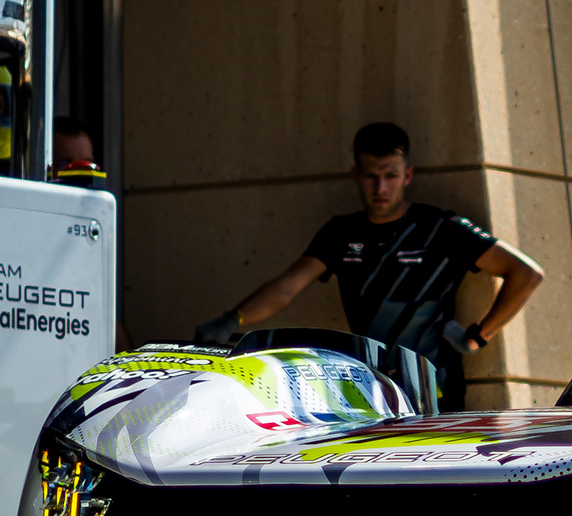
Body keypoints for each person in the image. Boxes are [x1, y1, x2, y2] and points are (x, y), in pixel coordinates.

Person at [218, 122, 541, 409]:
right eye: (371, 176)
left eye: (391, 176)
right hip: (369, 394)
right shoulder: (341, 233)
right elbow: (288, 287)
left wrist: (478, 337)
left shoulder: (441, 228)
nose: (381, 188)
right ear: (356, 175)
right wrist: (232, 319)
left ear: (408, 176)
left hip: (434, 392)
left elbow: (526, 275)